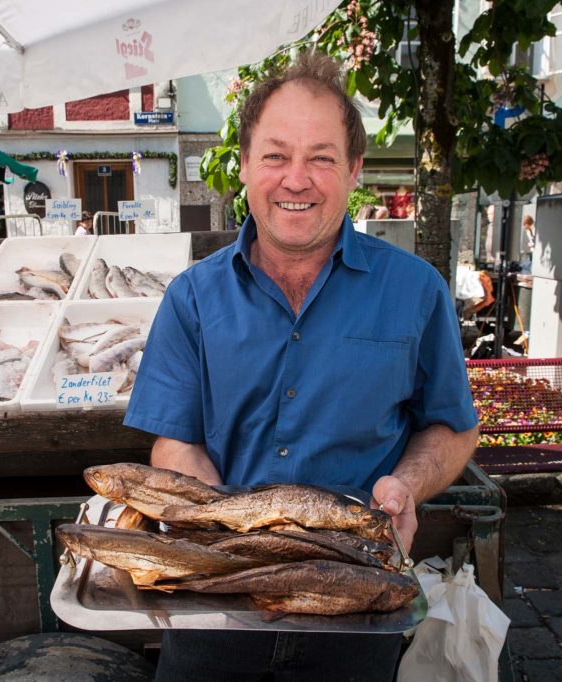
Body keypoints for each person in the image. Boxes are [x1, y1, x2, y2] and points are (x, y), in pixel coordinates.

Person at [124, 51, 479, 681]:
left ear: (353, 171)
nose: (297, 178)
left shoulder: (415, 291)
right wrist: (216, 519)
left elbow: (452, 427)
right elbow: (175, 440)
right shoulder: (192, 298)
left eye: (320, 157)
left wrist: (408, 485)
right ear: (244, 167)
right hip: (217, 604)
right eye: (276, 155)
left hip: (355, 599)